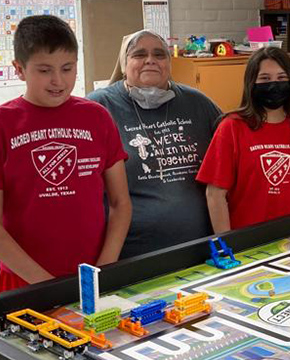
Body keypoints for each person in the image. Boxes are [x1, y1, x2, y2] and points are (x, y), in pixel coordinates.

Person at [0, 15, 132, 292]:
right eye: (44, 70)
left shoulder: (97, 117)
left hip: (92, 275)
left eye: (67, 68)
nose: (58, 80)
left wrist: (103, 270)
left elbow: (120, 203)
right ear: (19, 69)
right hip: (25, 281)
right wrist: (46, 286)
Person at [88, 30, 221, 259]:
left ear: (169, 63)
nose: (150, 60)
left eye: (159, 54)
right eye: (139, 54)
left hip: (200, 251)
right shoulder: (98, 108)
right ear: (124, 63)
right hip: (129, 255)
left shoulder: (198, 103)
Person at [197, 47, 290, 233]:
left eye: (281, 78)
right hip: (248, 240)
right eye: (265, 78)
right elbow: (215, 193)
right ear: (252, 83)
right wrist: (227, 243)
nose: (274, 85)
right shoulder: (232, 127)